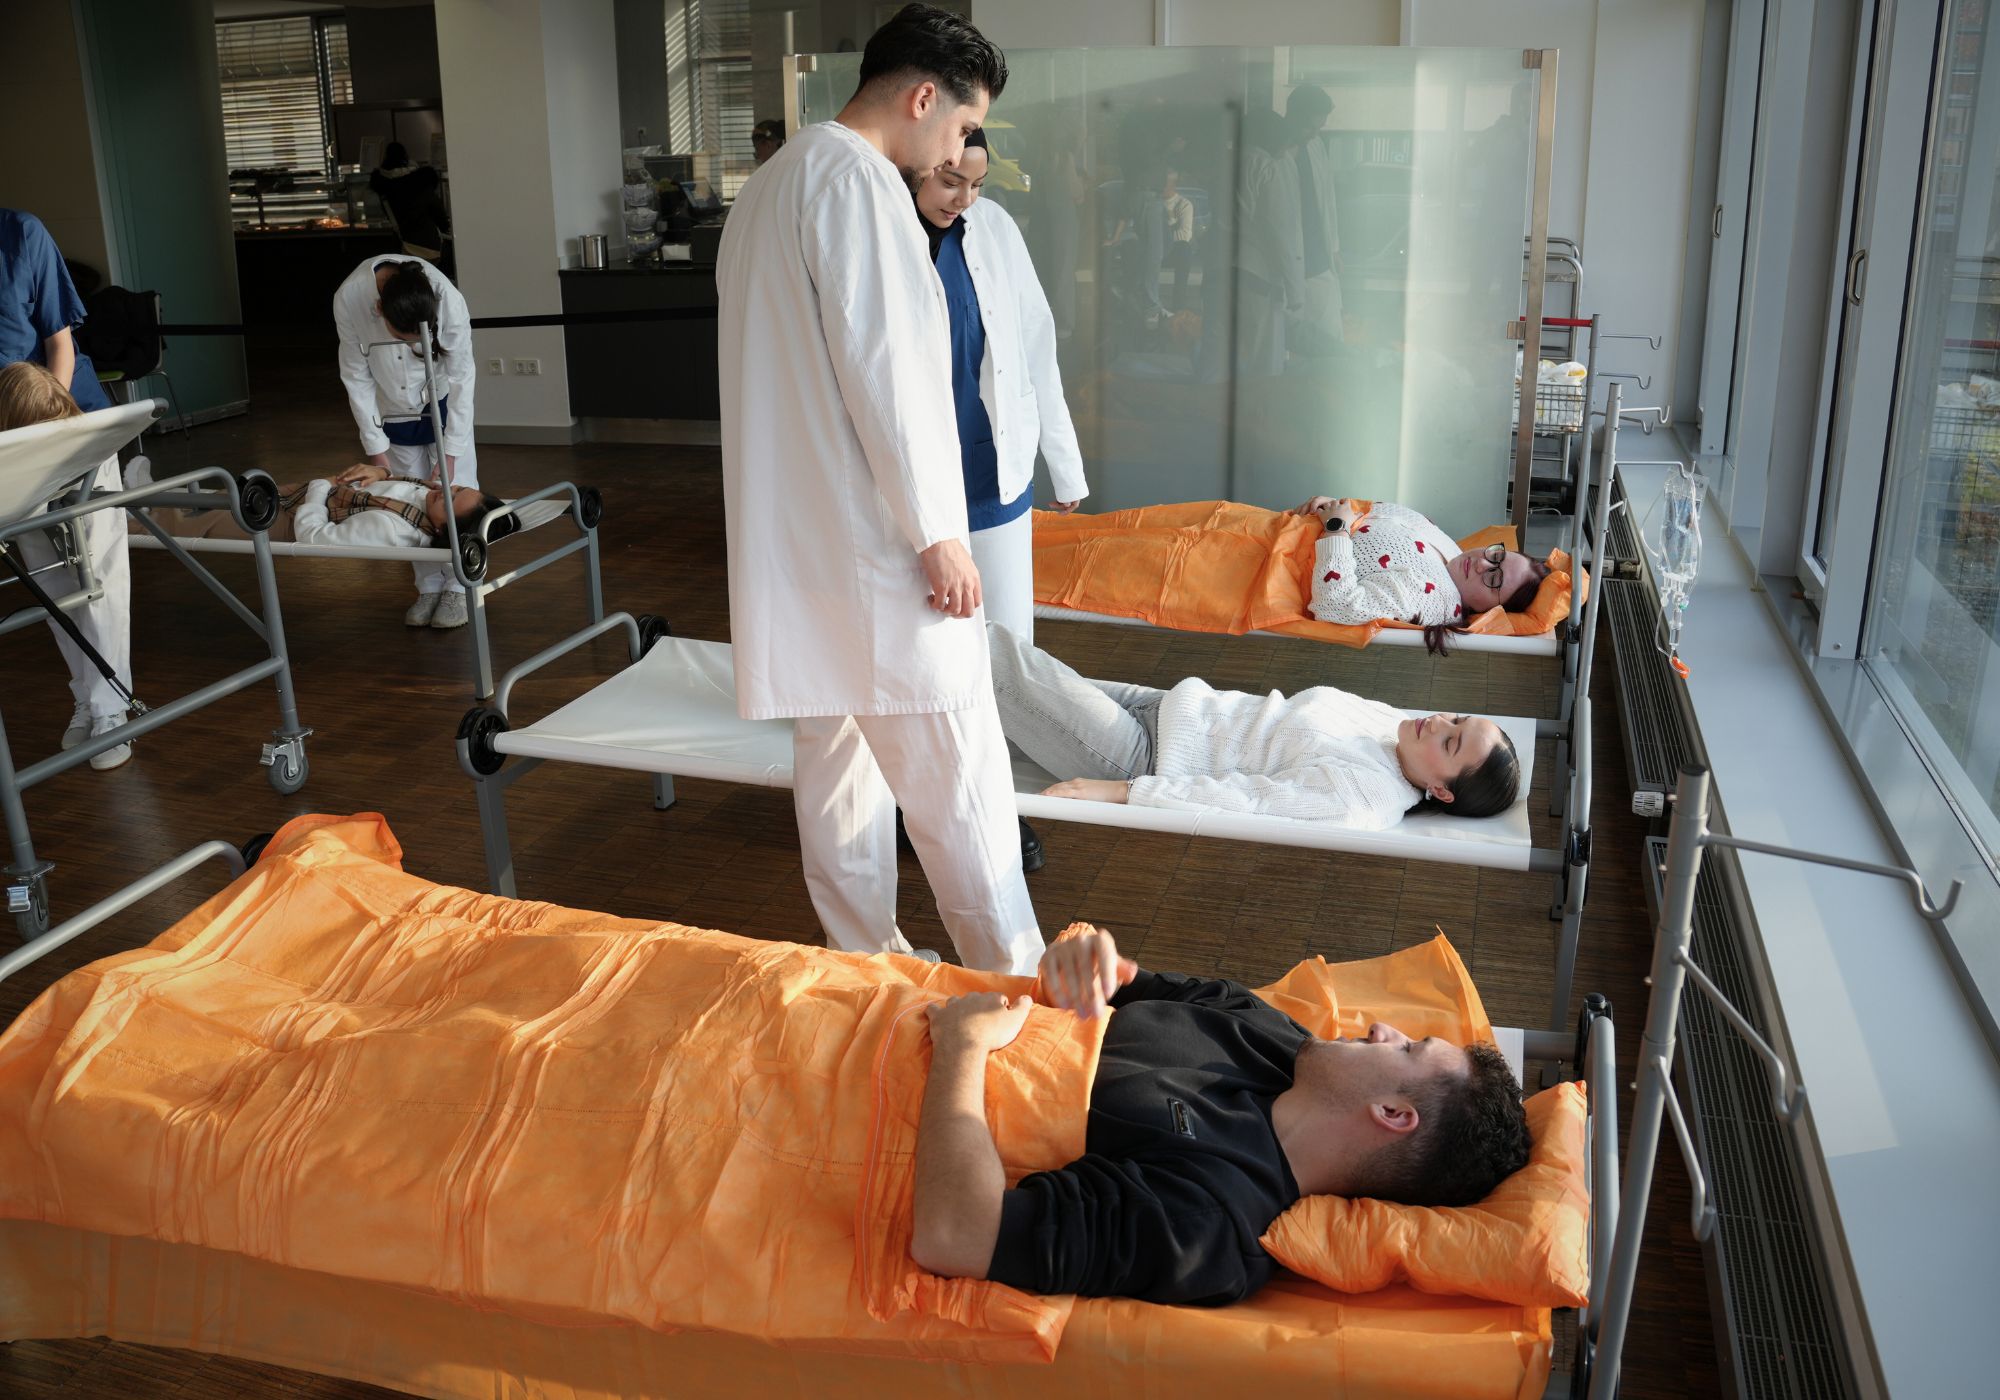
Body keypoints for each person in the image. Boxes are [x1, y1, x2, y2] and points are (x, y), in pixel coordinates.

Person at [716, 5, 1043, 974]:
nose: (956, 150)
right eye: (962, 126)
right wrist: (939, 533)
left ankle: (861, 968)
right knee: (961, 785)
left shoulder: (772, 182)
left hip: (802, 550)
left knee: (838, 774)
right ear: (922, 97)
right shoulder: (857, 183)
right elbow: (890, 374)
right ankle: (1016, 985)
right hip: (878, 548)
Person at [912, 924, 1532, 1302]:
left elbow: (957, 1235)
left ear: (1393, 1113)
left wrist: (963, 1049)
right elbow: (1106, 981)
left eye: (1408, 1048)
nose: (1381, 1029)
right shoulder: (1272, 1032)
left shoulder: (1210, 1222)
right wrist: (1082, 959)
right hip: (892, 993)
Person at [986, 620, 1521, 828]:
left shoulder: (1363, 797)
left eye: (1451, 741)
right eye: (1457, 717)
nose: (1438, 721)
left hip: (1138, 756)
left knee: (992, 657)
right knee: (993, 692)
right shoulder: (1396, 728)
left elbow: (1246, 801)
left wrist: (1123, 792)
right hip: (1168, 706)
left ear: (1440, 791)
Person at [911, 130, 1089, 639]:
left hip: (993, 468)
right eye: (951, 182)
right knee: (927, 637)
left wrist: (1065, 465)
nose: (964, 199)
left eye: (978, 185)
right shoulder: (884, 234)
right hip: (914, 477)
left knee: (1007, 637)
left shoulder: (993, 226)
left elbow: (1036, 342)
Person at [0, 212, 134, 770]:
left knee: (98, 571)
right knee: (48, 578)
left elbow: (60, 343)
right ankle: (88, 696)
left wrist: (49, 434)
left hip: (67, 419)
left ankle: (112, 708)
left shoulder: (20, 236)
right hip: (7, 444)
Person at [331, 255, 479, 629]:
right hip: (393, 409)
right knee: (407, 502)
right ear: (379, 310)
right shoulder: (349, 298)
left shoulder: (446, 296)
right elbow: (356, 377)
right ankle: (429, 586)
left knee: (456, 498)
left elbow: (462, 379)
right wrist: (377, 454)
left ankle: (462, 587)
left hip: (442, 403)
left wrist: (451, 453)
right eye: (402, 338)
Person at [1292, 494, 1550, 653]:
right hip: (1287, 528)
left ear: (1490, 611)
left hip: (1281, 563)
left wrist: (1336, 526)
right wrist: (1333, 506)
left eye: (1493, 579)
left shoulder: (1435, 601)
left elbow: (1337, 605)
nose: (1482, 564)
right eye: (1496, 555)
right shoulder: (1452, 552)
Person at [1284, 85, 1342, 349]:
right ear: (1293, 116)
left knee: (1329, 340)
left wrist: (1335, 248)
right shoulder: (1275, 151)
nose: (1314, 134)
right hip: (1285, 264)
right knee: (1287, 345)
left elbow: (1328, 199)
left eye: (1320, 127)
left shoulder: (1317, 146)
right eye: (1310, 127)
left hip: (1319, 259)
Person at [368, 142, 451, 263]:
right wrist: (446, 227)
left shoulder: (383, 187)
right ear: (406, 157)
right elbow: (439, 213)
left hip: (404, 245)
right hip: (430, 245)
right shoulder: (421, 183)